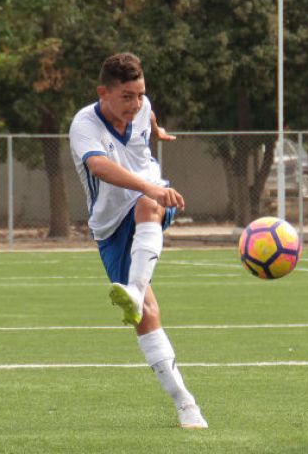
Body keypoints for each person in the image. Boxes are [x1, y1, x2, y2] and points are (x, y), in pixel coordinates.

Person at [67, 52, 207, 430]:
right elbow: (98, 166)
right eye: (127, 96)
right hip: (109, 225)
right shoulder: (84, 124)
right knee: (145, 314)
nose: (137, 104)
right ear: (104, 92)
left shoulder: (143, 108)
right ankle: (184, 400)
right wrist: (147, 184)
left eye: (141, 94)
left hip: (151, 197)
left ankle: (133, 287)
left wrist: (156, 131)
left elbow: (148, 117)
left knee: (149, 202)